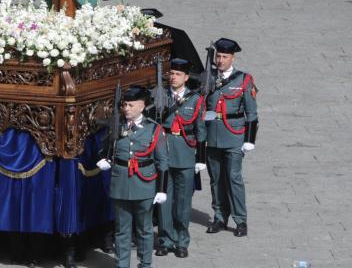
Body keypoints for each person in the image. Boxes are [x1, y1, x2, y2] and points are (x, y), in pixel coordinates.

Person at [96, 85, 168, 268]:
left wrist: (161, 189)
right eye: (125, 105)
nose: (126, 108)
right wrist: (106, 160)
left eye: (130, 105)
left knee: (144, 229)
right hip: (121, 183)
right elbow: (108, 150)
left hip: (144, 184)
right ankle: (122, 264)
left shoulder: (153, 129)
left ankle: (145, 264)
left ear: (142, 106)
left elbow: (162, 162)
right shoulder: (117, 125)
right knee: (122, 230)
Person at [153, 58, 207, 259]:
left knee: (183, 202)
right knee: (164, 201)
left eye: (177, 74)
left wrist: (200, 158)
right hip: (164, 154)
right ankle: (165, 239)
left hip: (185, 154)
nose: (173, 77)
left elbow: (201, 130)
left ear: (186, 77)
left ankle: (182, 240)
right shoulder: (160, 96)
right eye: (171, 73)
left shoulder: (195, 100)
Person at [204, 38, 258, 238]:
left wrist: (249, 139)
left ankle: (240, 220)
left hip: (234, 135)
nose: (220, 60)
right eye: (218, 56)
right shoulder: (206, 78)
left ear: (232, 58)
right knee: (216, 179)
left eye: (224, 57)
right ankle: (219, 216)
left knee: (234, 178)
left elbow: (252, 113)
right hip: (212, 136)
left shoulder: (243, 80)